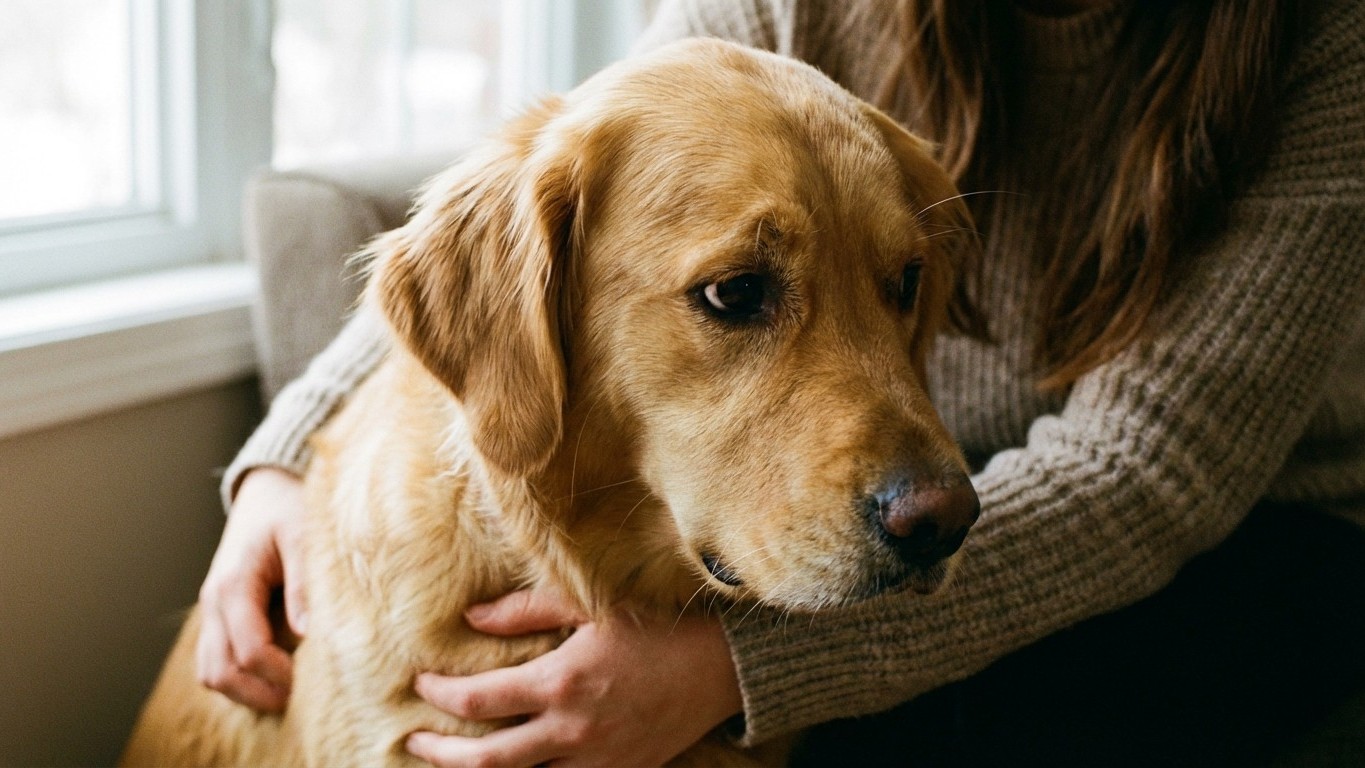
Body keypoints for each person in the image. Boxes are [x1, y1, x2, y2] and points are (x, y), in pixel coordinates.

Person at [194, 0, 1365, 765]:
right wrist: (283, 461)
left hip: (1262, 534)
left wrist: (737, 669)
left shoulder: (1328, 40)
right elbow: (554, 195)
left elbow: (1163, 463)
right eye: (738, 296)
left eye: (905, 284)